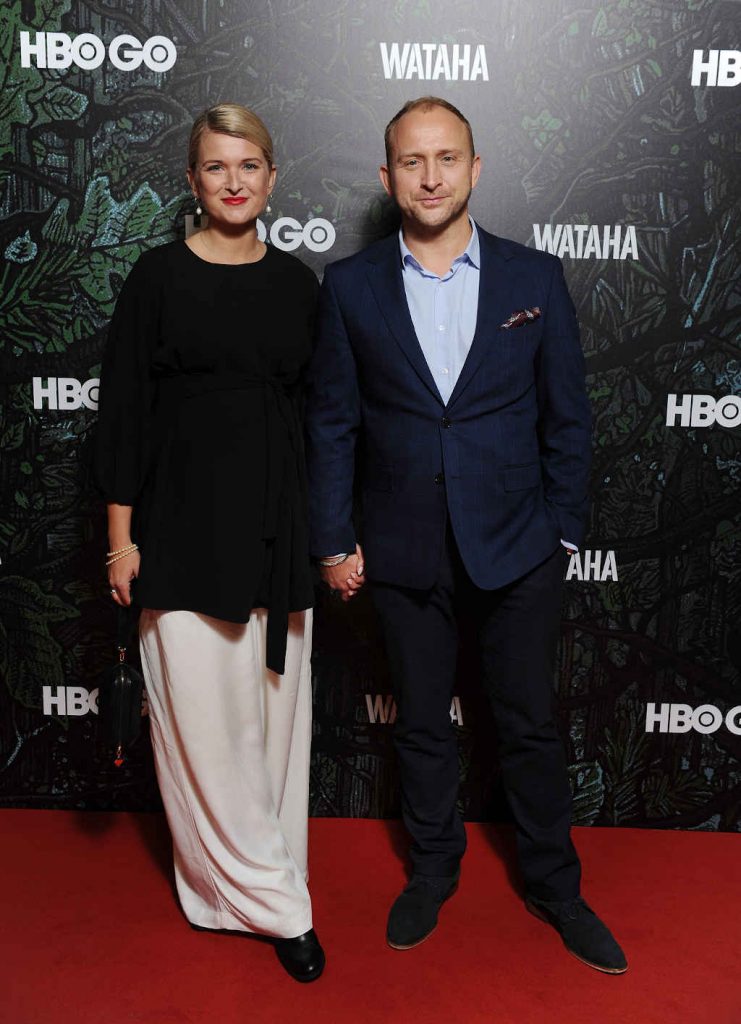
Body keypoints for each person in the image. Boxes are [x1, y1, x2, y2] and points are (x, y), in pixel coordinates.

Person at [305, 96, 627, 974]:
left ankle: (555, 888)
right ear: (387, 178)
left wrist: (561, 535)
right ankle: (432, 871)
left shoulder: (533, 278)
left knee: (527, 725)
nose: (431, 176)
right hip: (401, 546)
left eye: (446, 158)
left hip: (518, 548)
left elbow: (568, 418)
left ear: (475, 168)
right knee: (419, 725)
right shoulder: (349, 287)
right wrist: (333, 539)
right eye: (412, 161)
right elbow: (332, 426)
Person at [94, 103, 324, 982]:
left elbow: (321, 420)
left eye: (249, 165)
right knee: (205, 734)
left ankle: (254, 888)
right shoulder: (156, 278)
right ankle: (281, 910)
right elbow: (124, 415)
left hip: (278, 528)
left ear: (271, 177)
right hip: (182, 529)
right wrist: (121, 543)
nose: (234, 182)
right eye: (216, 167)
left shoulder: (298, 284)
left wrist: (325, 538)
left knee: (272, 732)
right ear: (192, 181)